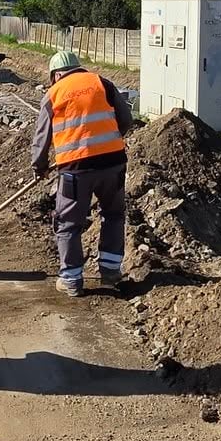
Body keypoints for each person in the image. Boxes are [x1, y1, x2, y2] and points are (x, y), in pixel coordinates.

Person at [31, 49, 134, 297]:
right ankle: (110, 273)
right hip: (113, 163)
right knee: (113, 215)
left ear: (55, 75)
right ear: (79, 68)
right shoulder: (102, 82)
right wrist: (108, 141)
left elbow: (42, 137)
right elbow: (127, 120)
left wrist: (39, 166)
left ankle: (71, 279)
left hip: (76, 170)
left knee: (68, 223)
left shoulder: (53, 94)